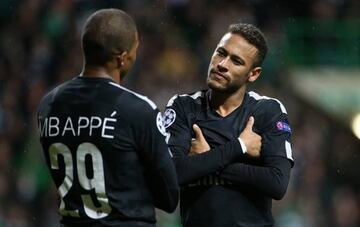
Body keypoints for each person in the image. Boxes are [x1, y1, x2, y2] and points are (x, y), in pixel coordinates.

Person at [37, 9, 179, 227]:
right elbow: (169, 197)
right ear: (122, 58)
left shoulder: (49, 104)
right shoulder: (137, 109)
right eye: (135, 49)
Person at [164, 23, 294, 227]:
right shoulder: (183, 106)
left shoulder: (267, 111)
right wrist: (239, 146)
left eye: (236, 61)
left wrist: (205, 161)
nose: (222, 64)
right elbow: (172, 173)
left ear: (253, 74)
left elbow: (277, 183)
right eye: (220, 53)